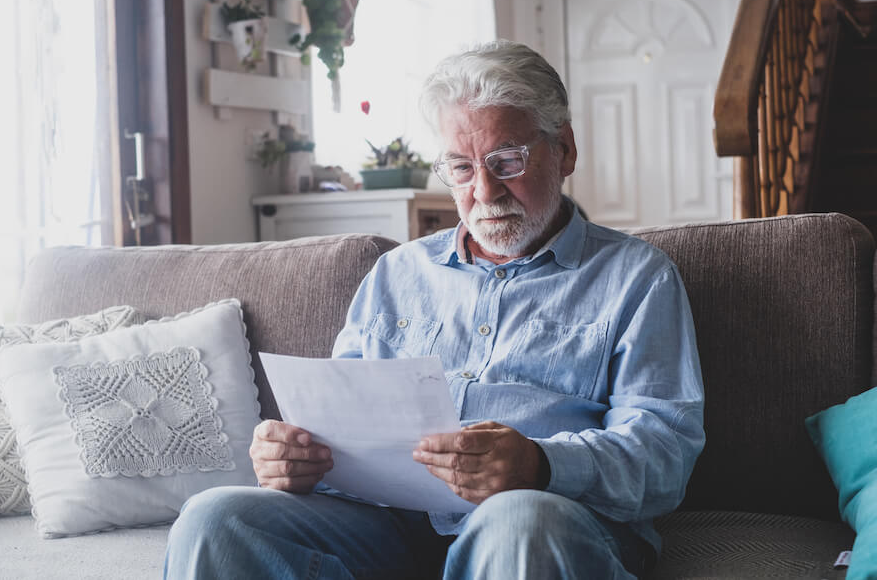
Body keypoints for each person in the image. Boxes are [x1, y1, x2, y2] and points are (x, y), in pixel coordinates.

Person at [164, 40, 705, 579]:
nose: (485, 191)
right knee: (214, 517)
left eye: (506, 160)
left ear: (563, 149)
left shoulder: (638, 278)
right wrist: (295, 458)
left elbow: (664, 454)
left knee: (517, 521)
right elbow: (335, 422)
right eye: (462, 168)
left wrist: (541, 465)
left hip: (547, 519)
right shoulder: (397, 274)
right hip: (386, 527)